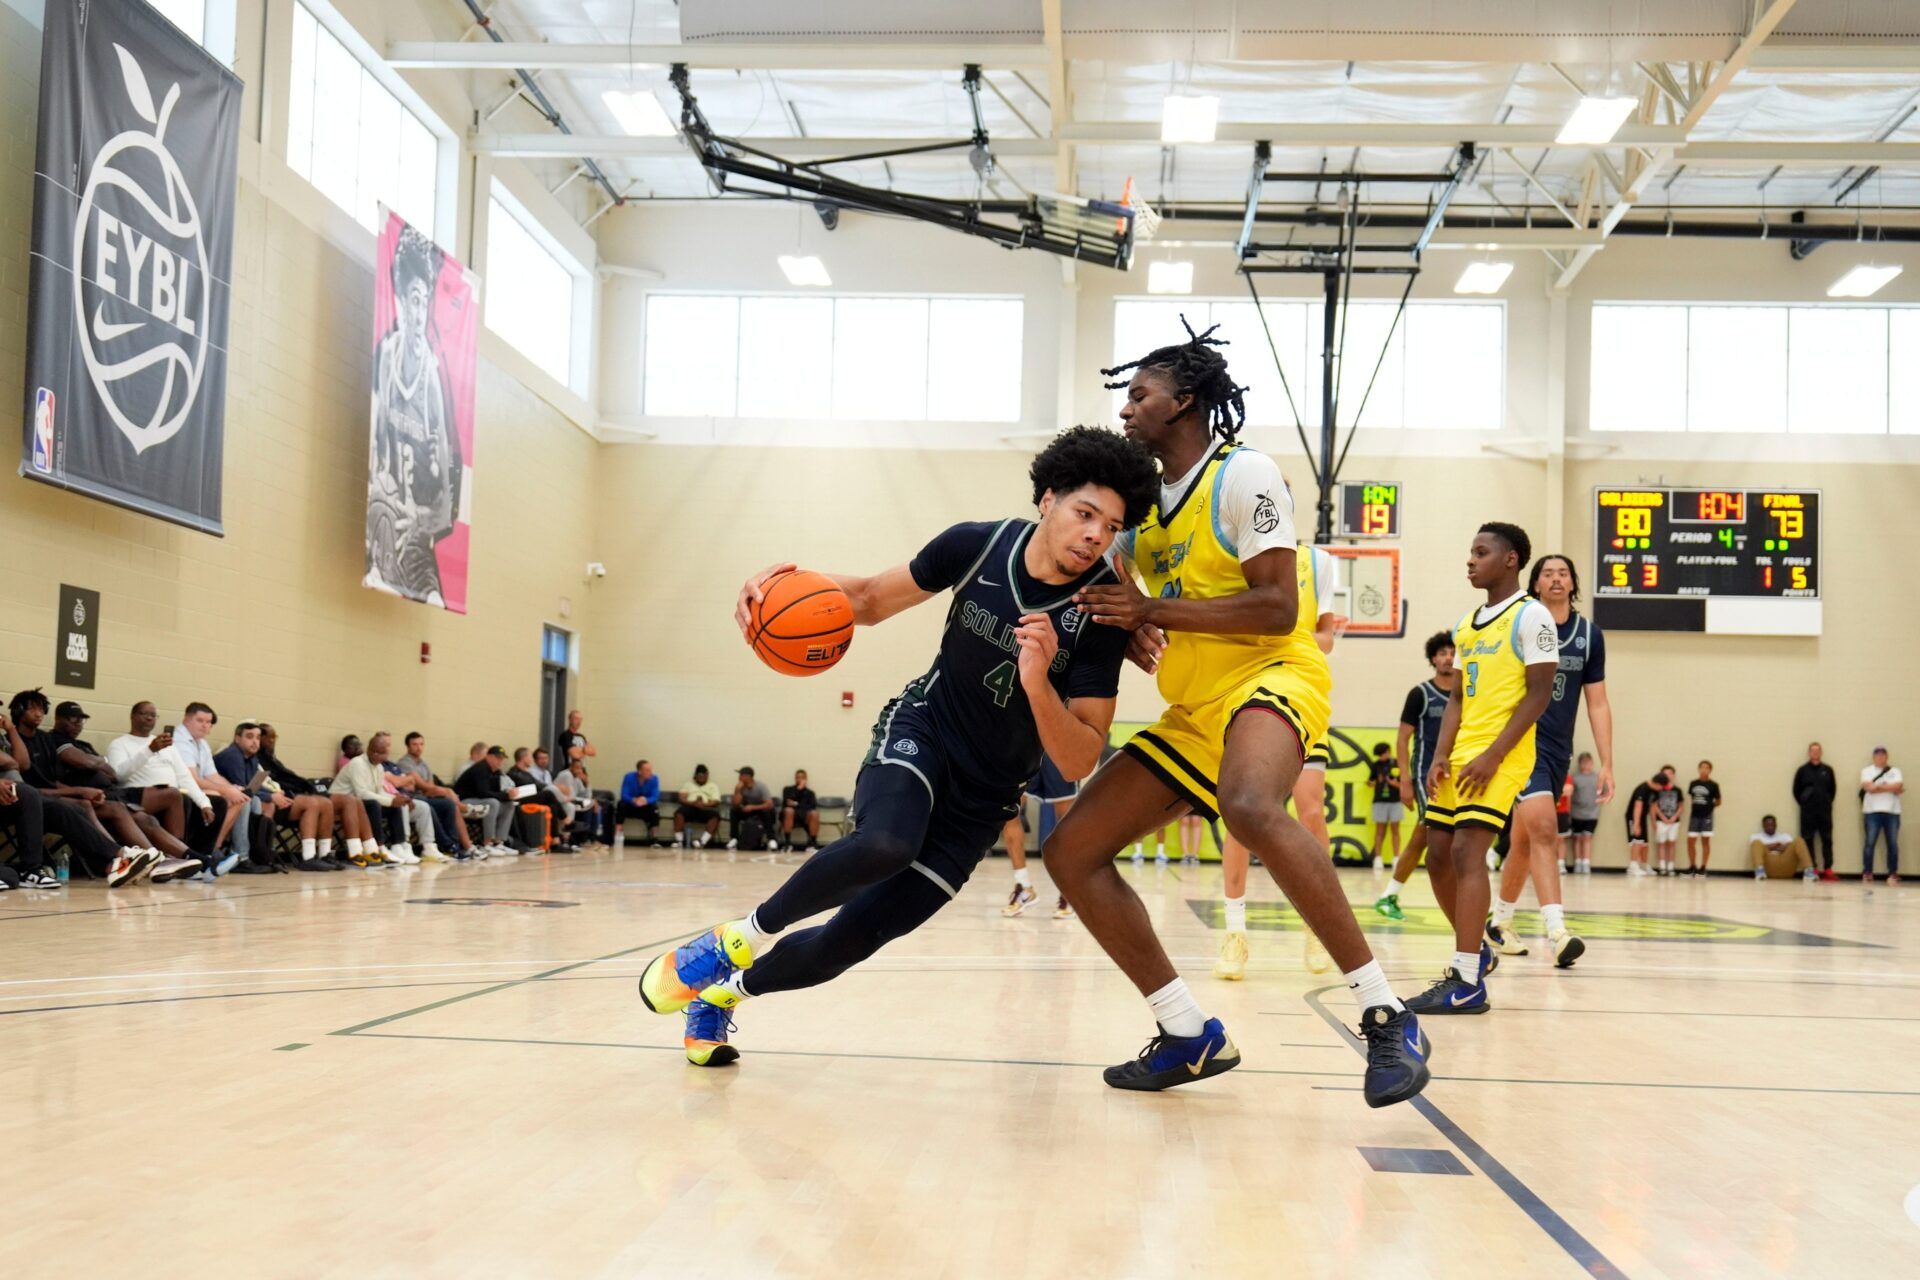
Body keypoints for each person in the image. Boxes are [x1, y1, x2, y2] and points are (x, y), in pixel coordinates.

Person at [636, 426, 1157, 1070]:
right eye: (1085, 514)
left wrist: (1037, 682)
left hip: (986, 797)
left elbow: (1079, 758)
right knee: (885, 843)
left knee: (844, 944)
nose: (1095, 535)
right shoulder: (977, 544)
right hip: (923, 731)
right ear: (1048, 499)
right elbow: (867, 600)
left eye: (1112, 527)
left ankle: (721, 996)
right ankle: (732, 941)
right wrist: (773, 582)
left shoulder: (1100, 613)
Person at [1039, 321, 1429, 1104]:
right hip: (1194, 707)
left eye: (1139, 395)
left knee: (1248, 804)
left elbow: (1278, 607)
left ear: (1184, 400)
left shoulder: (1243, 475)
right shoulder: (1139, 510)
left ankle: (1386, 1012)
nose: (1126, 409)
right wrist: (1133, 622)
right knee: (1071, 851)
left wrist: (1154, 609)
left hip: (1272, 675)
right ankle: (1188, 1033)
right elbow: (1123, 592)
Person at [1403, 523, 1558, 1017]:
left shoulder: (1532, 616)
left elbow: (1539, 695)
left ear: (1510, 559)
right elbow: (1456, 699)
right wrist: (1439, 754)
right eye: (1470, 551)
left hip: (1503, 755)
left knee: (1468, 851)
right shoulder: (1467, 624)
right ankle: (1476, 952)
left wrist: (1493, 756)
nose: (1470, 560)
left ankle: (1466, 980)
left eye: (1481, 552)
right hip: (1461, 755)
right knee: (1437, 856)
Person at [1485, 553, 1610, 968]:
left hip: (1558, 749)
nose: (1556, 579)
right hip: (1523, 743)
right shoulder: (1521, 623)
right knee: (1544, 829)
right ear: (1535, 583)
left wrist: (1607, 763)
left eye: (1563, 573)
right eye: (1547, 573)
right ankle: (1558, 932)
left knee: (1523, 841)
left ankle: (1499, 922)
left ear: (1573, 583)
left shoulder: (1589, 635)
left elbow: (1597, 703)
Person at [9, 691, 201, 881]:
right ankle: (122, 859)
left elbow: (62, 780)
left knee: (143, 812)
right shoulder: (27, 740)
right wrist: (83, 788)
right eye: (32, 709)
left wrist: (88, 784)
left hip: (92, 793)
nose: (39, 714)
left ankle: (167, 859)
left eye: (41, 709)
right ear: (18, 711)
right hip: (38, 801)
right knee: (90, 805)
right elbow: (28, 781)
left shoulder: (44, 739)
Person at [366, 224, 460, 606]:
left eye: (426, 302)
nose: (421, 314)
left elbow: (446, 507)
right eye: (414, 301)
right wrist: (383, 500)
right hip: (386, 531)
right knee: (376, 572)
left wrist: (420, 519)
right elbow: (375, 459)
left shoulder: (431, 380)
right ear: (400, 301)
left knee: (434, 601)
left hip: (418, 541)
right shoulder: (386, 359)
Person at [1375, 631, 1455, 919]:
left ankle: (1389, 896)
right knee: (1439, 836)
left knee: (1422, 837)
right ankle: (1462, 901)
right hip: (1425, 776)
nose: (1448, 658)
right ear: (1433, 658)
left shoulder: (1467, 694)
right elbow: (1402, 739)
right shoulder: (1420, 694)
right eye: (1442, 653)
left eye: (1453, 653)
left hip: (1456, 777)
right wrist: (1405, 781)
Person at [1002, 756, 1077, 919]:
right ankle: (1023, 887)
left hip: (1058, 751)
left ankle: (1069, 892)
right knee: (1009, 812)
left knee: (1067, 824)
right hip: (1025, 750)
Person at [330, 733, 417, 864]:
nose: (376, 755)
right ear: (368, 749)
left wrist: (398, 799)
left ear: (386, 754)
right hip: (342, 803)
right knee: (374, 805)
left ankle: (397, 846)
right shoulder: (357, 763)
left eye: (381, 753)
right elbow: (362, 793)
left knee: (394, 808)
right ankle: (378, 846)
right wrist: (390, 801)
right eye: (374, 751)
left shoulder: (379, 767)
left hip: (359, 803)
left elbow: (379, 791)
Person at [391, 732, 480, 860]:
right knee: (431, 804)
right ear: (408, 746)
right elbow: (421, 786)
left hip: (426, 795)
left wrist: (433, 789)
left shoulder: (424, 764)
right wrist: (438, 790)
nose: (419, 747)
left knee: (449, 805)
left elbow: (429, 786)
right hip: (413, 797)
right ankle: (446, 843)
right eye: (415, 744)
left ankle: (454, 845)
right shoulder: (404, 763)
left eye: (421, 744)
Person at [455, 747, 521, 854]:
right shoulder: (481, 769)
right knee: (492, 803)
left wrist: (509, 794)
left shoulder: (496, 772)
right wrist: (506, 795)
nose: (500, 761)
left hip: (479, 801)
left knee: (509, 804)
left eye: (502, 759)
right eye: (498, 758)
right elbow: (483, 793)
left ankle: (499, 842)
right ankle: (487, 843)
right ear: (489, 757)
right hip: (463, 802)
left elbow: (495, 792)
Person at [1793, 743, 1838, 880]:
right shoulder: (1802, 770)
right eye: (1813, 751)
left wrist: (1826, 801)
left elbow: (1833, 790)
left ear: (1821, 752)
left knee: (1827, 839)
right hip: (1808, 812)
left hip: (1824, 811)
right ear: (1809, 753)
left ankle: (1828, 869)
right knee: (1807, 839)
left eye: (1817, 750)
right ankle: (1812, 868)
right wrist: (1805, 803)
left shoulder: (1828, 770)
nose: (1815, 753)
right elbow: (1796, 791)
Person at [1861, 746, 1904, 884]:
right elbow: (1869, 788)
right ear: (1874, 757)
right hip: (1872, 811)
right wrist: (1889, 787)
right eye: (1878, 755)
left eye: (1883, 755)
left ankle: (1892, 873)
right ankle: (1868, 872)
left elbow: (1899, 786)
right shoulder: (1867, 771)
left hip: (1892, 812)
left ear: (1887, 757)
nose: (1880, 757)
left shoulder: (1895, 771)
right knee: (1869, 843)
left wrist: (1878, 787)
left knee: (1892, 843)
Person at [1366, 743, 1403, 869]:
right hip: (1379, 801)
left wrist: (1393, 783)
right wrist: (1374, 783)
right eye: (1379, 755)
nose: (1382, 757)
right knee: (1380, 831)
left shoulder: (1397, 764)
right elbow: (1370, 781)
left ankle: (1396, 858)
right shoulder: (1376, 765)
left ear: (1388, 751)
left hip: (1395, 801)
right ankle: (1378, 858)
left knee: (1395, 830)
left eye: (1383, 754)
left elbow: (1404, 785)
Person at [1566, 752, 1602, 874]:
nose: (1586, 765)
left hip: (1592, 813)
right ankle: (1578, 862)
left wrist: (1598, 801)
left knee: (1587, 837)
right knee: (1577, 838)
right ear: (1579, 764)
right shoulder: (1575, 778)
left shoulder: (1597, 777)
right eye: (1584, 762)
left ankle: (1586, 862)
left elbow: (1604, 791)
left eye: (1588, 762)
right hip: (1576, 812)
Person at [1750, 815, 1814, 881]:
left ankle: (1809, 871)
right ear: (1763, 825)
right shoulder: (1756, 837)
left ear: (1776, 825)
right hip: (1768, 868)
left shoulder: (1784, 836)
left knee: (1799, 840)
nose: (1770, 827)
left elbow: (1791, 846)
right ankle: (1760, 871)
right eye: (1767, 825)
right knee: (1756, 843)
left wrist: (1782, 847)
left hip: (1786, 867)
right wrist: (1775, 845)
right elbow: (1756, 850)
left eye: (1772, 824)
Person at [726, 767, 776, 850]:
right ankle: (734, 838)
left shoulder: (760, 786)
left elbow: (769, 804)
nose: (739, 777)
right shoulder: (740, 787)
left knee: (768, 812)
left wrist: (753, 807)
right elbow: (735, 804)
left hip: (760, 809)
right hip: (747, 810)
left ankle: (771, 839)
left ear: (748, 776)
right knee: (734, 811)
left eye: (741, 775)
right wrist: (737, 790)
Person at [1686, 760, 1722, 875]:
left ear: (1710, 770)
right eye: (1702, 767)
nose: (1704, 769)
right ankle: (1692, 866)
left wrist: (1709, 807)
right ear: (1698, 769)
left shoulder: (1714, 785)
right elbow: (1692, 798)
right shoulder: (1693, 783)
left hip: (1707, 816)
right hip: (1694, 816)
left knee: (1705, 842)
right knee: (1690, 841)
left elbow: (1719, 801)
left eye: (1707, 768)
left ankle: (1703, 867)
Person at [674, 765, 722, 849]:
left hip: (706, 808)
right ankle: (679, 842)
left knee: (715, 816)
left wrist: (704, 804)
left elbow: (716, 801)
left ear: (707, 775)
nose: (701, 778)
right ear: (695, 776)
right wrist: (693, 803)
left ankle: (702, 842)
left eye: (704, 776)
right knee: (679, 813)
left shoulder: (713, 786)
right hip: (690, 806)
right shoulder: (688, 784)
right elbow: (681, 798)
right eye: (699, 776)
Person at [1624, 770, 1661, 878]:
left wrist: (1654, 822)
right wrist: (1636, 824)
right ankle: (1633, 866)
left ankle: (1644, 865)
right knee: (1637, 841)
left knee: (1644, 843)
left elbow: (1653, 807)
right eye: (1661, 786)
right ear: (1657, 783)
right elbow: (1637, 807)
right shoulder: (1642, 789)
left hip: (1643, 817)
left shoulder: (1655, 791)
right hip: (1633, 816)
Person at [619, 760, 662, 845]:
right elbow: (624, 794)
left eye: (651, 770)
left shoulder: (654, 778)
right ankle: (617, 835)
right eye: (647, 770)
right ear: (639, 771)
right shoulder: (629, 777)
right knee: (621, 805)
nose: (650, 773)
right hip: (631, 804)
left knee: (655, 809)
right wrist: (633, 800)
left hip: (645, 805)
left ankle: (655, 839)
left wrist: (646, 800)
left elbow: (655, 796)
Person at [1651, 764, 1684, 875]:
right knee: (1661, 843)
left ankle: (1670, 867)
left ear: (1673, 775)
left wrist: (1674, 817)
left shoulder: (1677, 790)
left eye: (1670, 773)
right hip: (1661, 821)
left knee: (1672, 843)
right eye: (1665, 774)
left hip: (1674, 821)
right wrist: (1662, 817)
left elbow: (1681, 806)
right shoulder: (1658, 789)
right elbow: (1654, 805)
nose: (1668, 776)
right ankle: (1662, 867)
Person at [780, 769, 819, 850]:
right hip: (790, 816)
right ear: (795, 778)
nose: (800, 779)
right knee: (789, 811)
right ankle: (787, 843)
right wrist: (798, 789)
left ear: (806, 779)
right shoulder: (788, 790)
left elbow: (812, 806)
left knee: (814, 813)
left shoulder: (810, 793)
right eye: (798, 777)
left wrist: (796, 804)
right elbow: (787, 803)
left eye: (802, 778)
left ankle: (812, 843)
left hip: (805, 816)